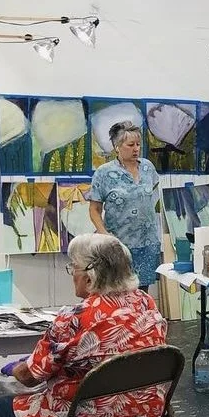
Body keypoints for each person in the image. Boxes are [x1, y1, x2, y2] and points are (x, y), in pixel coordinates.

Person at [0, 233, 168, 417]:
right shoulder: (146, 303)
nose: (72, 274)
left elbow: (29, 377)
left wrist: (16, 367)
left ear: (90, 278)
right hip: (147, 416)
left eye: (74, 267)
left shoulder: (75, 318)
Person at [89, 120, 161, 293]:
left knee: (141, 293)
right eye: (130, 145)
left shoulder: (148, 167)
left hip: (147, 242)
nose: (136, 149)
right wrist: (104, 234)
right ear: (117, 147)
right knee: (117, 292)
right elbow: (94, 210)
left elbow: (152, 198)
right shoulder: (104, 173)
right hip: (119, 245)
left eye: (138, 144)